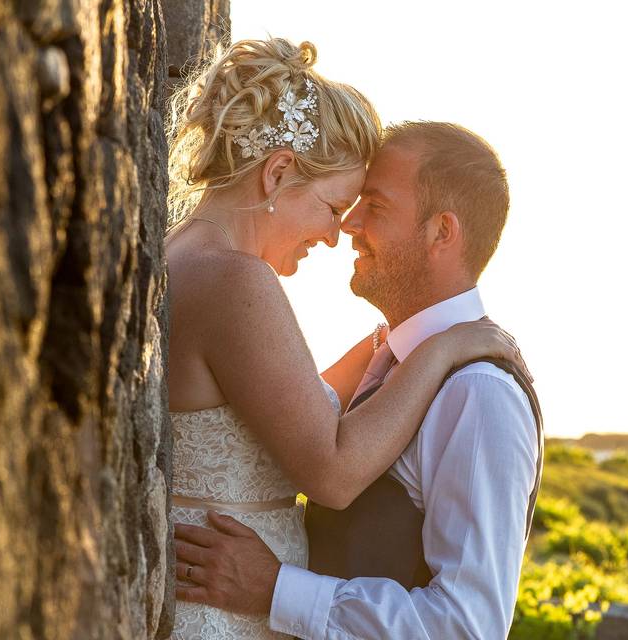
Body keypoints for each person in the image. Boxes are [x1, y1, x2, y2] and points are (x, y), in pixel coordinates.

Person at [165, 37, 529, 639]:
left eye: (367, 207)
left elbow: (281, 406)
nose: (339, 233)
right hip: (217, 617)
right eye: (335, 206)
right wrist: (442, 346)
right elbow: (331, 470)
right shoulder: (237, 280)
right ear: (279, 173)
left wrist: (389, 349)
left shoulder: (185, 252)